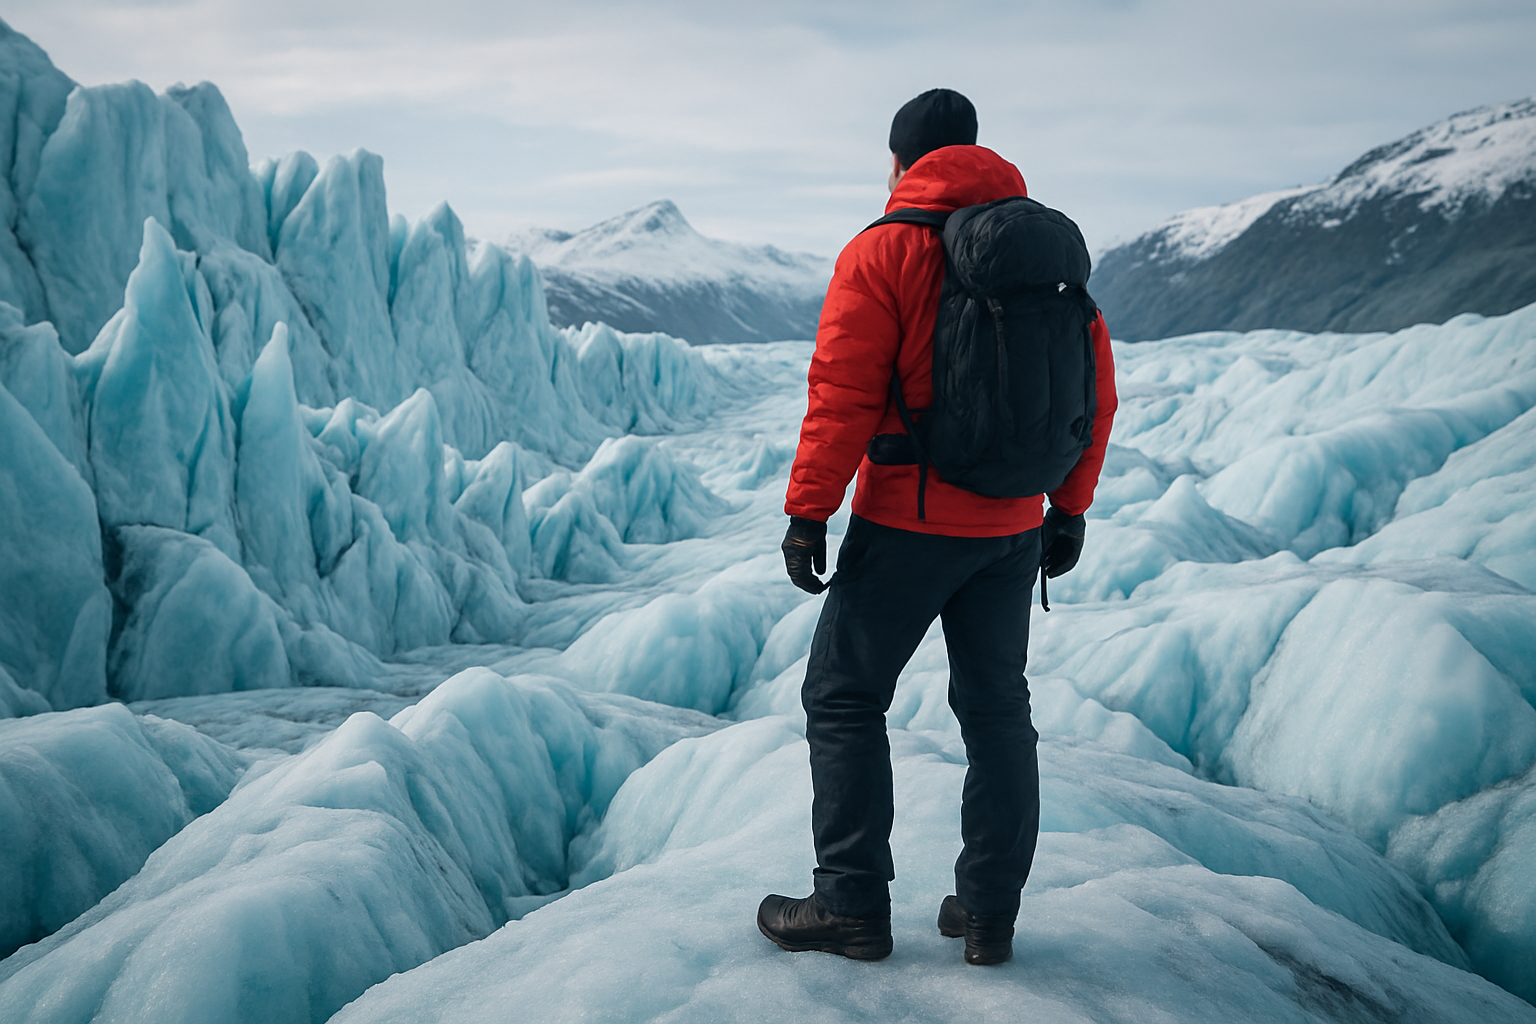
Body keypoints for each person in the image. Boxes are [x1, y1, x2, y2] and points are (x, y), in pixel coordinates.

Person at [756, 88, 1117, 966]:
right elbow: (1094, 393)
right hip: (1011, 532)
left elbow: (841, 395)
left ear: (901, 160)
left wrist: (810, 512)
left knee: (844, 699)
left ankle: (850, 905)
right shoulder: (1043, 255)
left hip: (908, 524)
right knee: (997, 715)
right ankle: (988, 913)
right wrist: (1069, 508)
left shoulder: (884, 251)